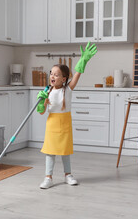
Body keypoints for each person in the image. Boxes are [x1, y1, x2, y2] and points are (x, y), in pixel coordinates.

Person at [36, 42, 97, 189]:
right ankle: (48, 178)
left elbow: (77, 75)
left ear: (63, 79)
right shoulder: (47, 92)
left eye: (56, 74)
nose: (52, 76)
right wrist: (41, 100)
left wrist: (83, 61)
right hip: (52, 125)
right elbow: (41, 111)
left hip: (64, 124)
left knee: (65, 151)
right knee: (50, 152)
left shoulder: (68, 89)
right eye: (51, 73)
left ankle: (68, 175)